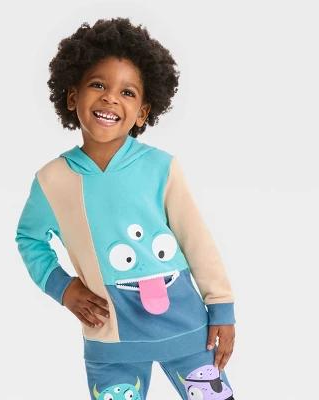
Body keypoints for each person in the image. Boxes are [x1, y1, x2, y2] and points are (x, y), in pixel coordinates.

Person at [15, 17, 236, 400]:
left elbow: (195, 239)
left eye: (127, 92)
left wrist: (221, 307)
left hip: (186, 329)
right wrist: (63, 287)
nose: (110, 98)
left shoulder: (161, 167)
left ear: (143, 113)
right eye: (98, 85)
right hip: (109, 338)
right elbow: (29, 238)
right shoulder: (52, 180)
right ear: (72, 96)